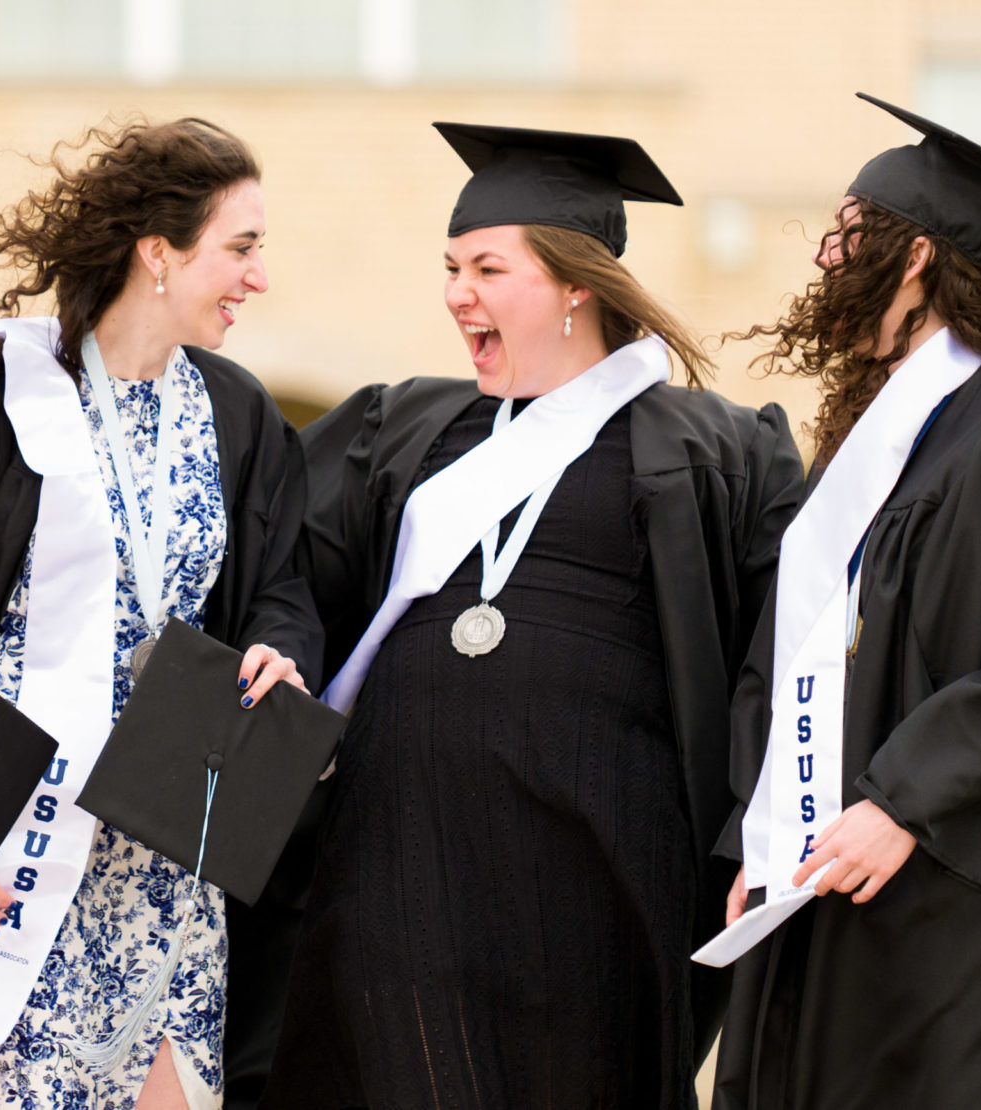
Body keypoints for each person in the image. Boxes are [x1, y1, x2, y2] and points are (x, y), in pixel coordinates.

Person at [261, 123, 804, 1110]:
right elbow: (287, 567)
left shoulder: (713, 451)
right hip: (401, 850)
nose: (457, 292)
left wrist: (764, 838)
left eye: (485, 267)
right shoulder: (410, 427)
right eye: (450, 267)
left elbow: (786, 648)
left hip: (599, 869)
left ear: (574, 283)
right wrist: (282, 646)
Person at [0, 117, 321, 1110]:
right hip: (9, 844)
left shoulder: (239, 413)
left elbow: (279, 586)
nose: (258, 277)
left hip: (160, 860)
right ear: (159, 252)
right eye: (239, 248)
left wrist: (278, 654)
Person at [709, 94, 981, 1109]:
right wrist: (762, 833)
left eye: (848, 234)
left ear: (915, 256)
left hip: (952, 922)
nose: (827, 259)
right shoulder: (869, 453)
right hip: (831, 897)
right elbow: (789, 654)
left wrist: (903, 801)